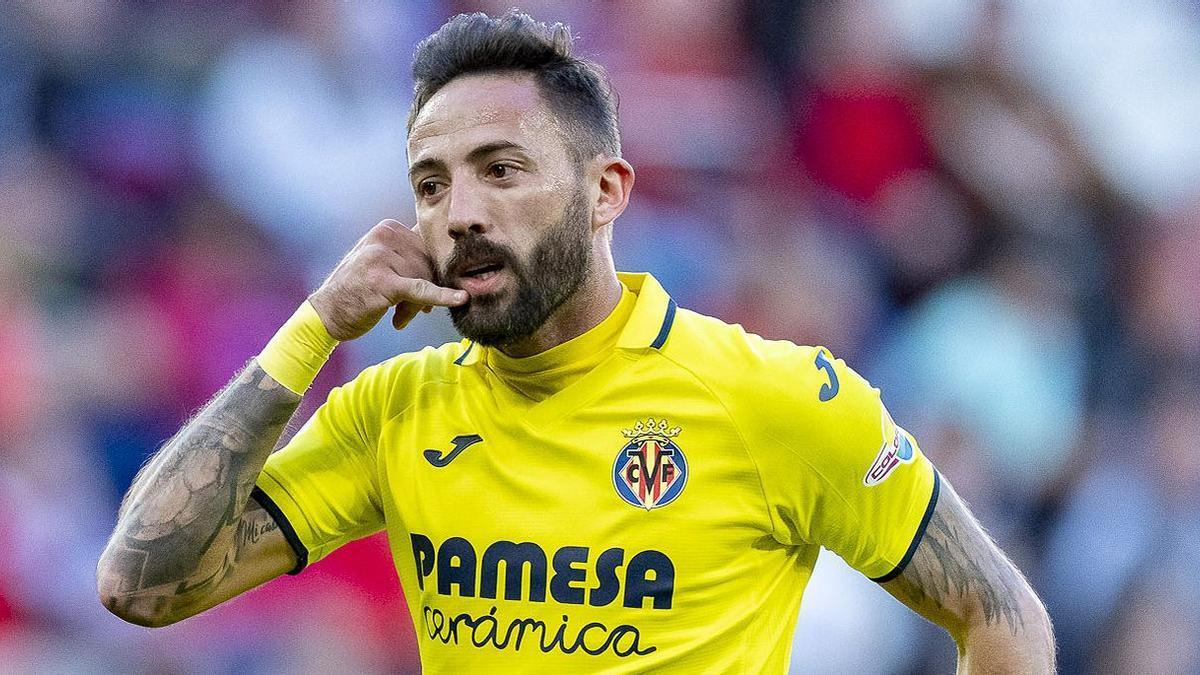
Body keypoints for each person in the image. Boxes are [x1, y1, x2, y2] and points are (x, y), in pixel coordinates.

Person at [97, 10, 1056, 673]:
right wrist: (309, 333)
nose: (459, 213)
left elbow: (1001, 616)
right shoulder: (394, 410)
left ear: (605, 192)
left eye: (501, 169)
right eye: (431, 185)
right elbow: (142, 584)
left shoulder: (778, 399)